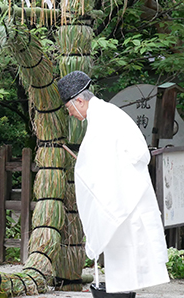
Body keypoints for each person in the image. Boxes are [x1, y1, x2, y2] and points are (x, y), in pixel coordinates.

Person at [57, 71, 170, 293]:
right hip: (125, 192)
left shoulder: (103, 120)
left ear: (79, 101)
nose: (71, 114)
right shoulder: (107, 115)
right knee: (124, 261)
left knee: (124, 255)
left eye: (69, 109)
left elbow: (126, 156)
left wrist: (90, 168)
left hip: (124, 195)